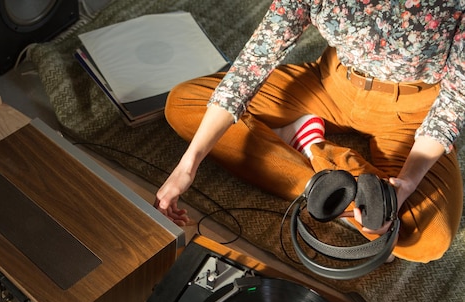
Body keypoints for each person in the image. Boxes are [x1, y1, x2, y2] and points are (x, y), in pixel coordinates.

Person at [154, 0, 464, 263]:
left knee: (430, 237)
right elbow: (256, 59)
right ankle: (327, 183)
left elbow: (455, 98)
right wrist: (188, 165)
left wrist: (406, 185)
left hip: (412, 109)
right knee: (184, 104)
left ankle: (317, 158)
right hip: (330, 83)